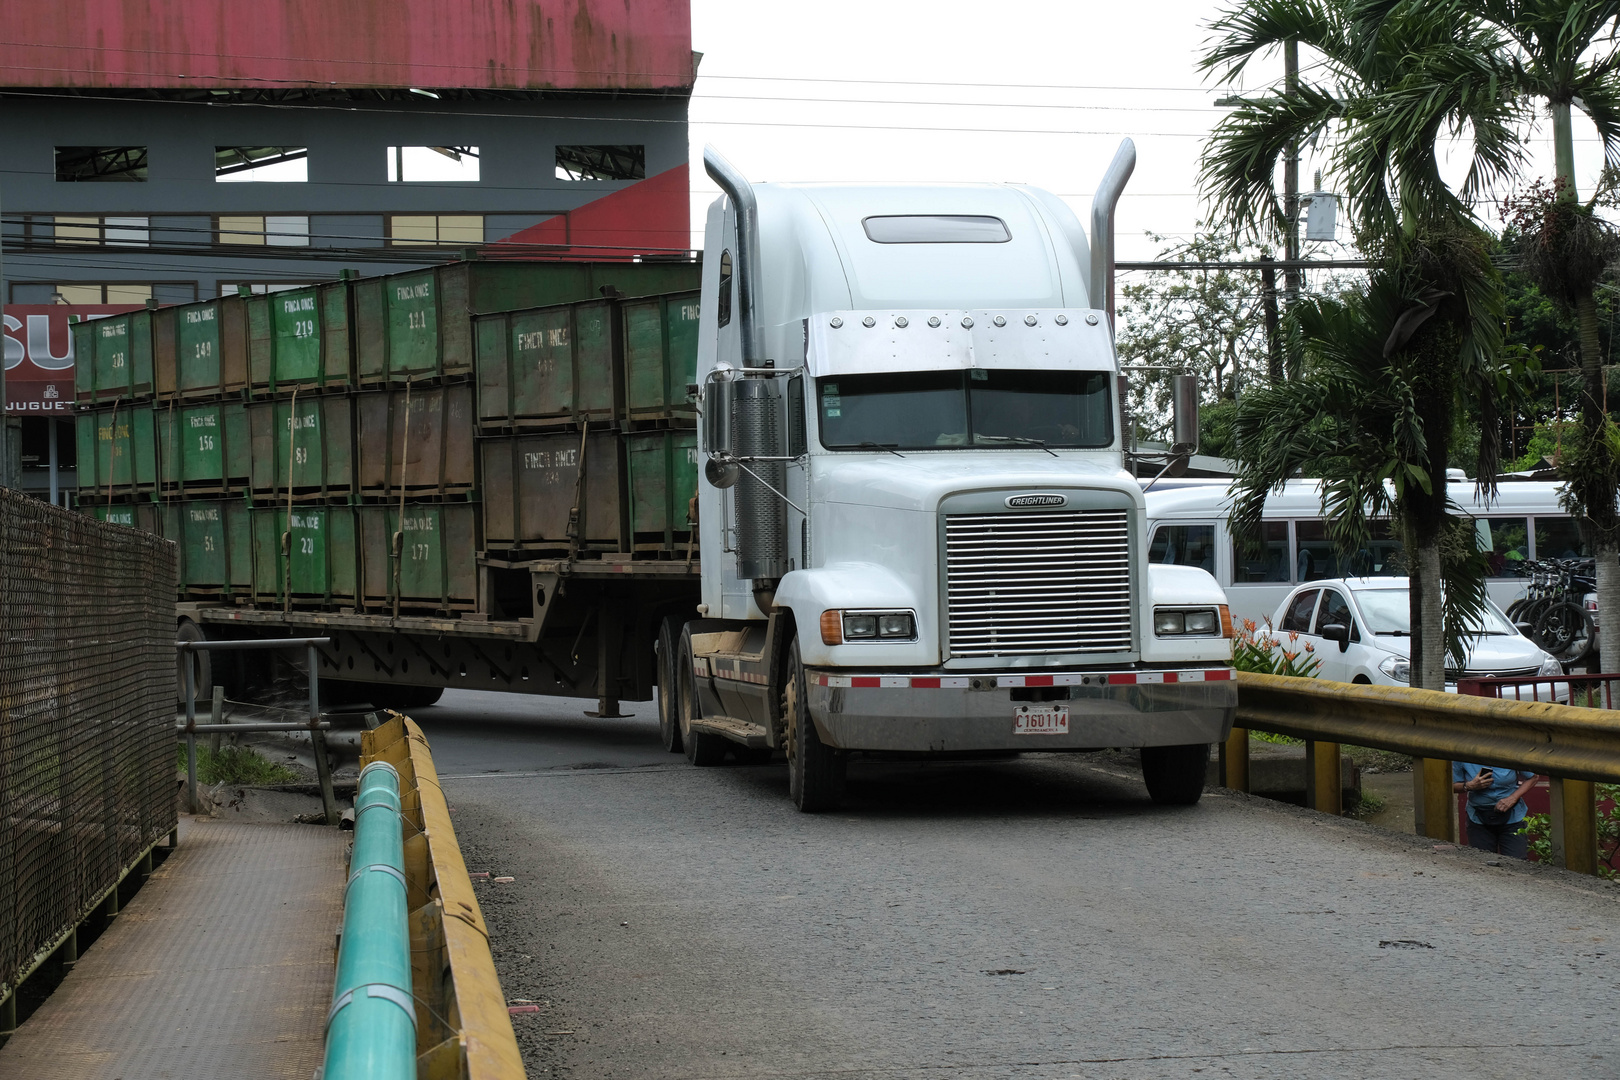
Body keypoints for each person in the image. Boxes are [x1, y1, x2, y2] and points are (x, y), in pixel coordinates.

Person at [1452, 762, 1539, 859]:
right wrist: (1469, 786)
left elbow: (1533, 777)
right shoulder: (1462, 754)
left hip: (1513, 816)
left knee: (1516, 862)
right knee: (1481, 862)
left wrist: (1512, 798)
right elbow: (1451, 785)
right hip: (1478, 817)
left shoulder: (1509, 751)